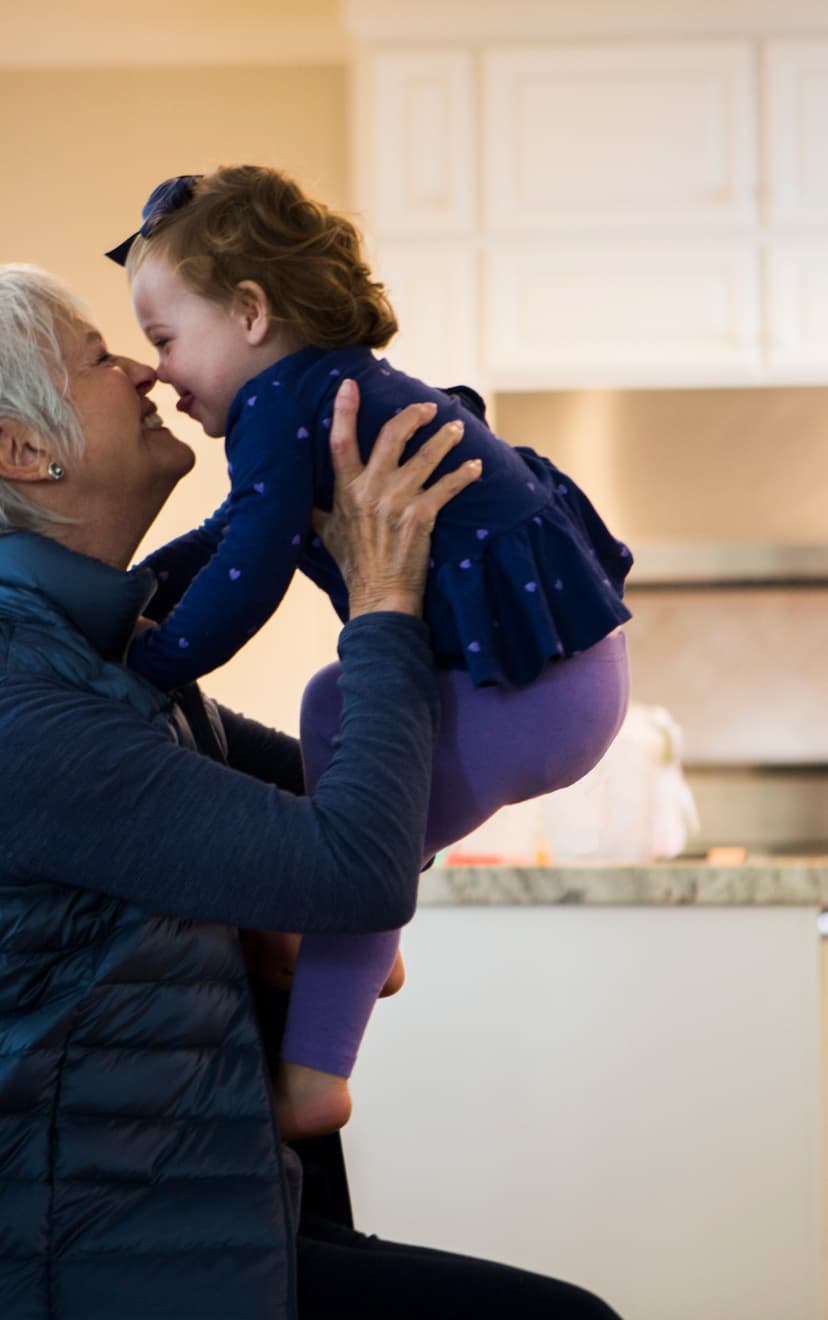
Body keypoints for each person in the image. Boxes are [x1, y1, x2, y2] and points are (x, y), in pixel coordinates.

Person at [0, 262, 626, 1320]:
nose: (147, 376)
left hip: (213, 1216)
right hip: (109, 1269)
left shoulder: (106, 661)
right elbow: (359, 866)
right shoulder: (29, 706)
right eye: (104, 357)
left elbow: (336, 804)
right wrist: (384, 601)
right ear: (25, 451)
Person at [105, 165, 633, 1142]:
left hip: (530, 692)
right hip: (567, 678)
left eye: (167, 341)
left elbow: (253, 565)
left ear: (251, 314)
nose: (162, 373)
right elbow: (233, 533)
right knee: (335, 707)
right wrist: (135, 601)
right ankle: (360, 937)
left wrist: (157, 659)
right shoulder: (324, 388)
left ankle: (315, 1070)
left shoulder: (279, 407)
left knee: (345, 762)